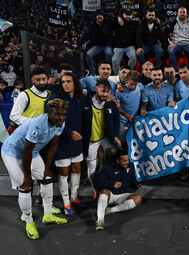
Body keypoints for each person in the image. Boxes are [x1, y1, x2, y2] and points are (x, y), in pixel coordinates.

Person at [1, 99, 68, 240]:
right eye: (57, 114)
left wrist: (47, 168)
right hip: (12, 152)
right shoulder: (38, 124)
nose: (61, 117)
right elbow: (26, 152)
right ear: (49, 112)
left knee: (47, 177)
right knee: (25, 186)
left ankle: (48, 215)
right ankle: (29, 222)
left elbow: (54, 145)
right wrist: (27, 176)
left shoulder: (60, 123)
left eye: (63, 114)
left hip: (33, 152)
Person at [46, 73, 83, 216]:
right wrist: (68, 133)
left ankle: (74, 198)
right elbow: (52, 121)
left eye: (68, 81)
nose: (65, 84)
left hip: (77, 141)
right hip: (61, 142)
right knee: (64, 172)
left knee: (77, 168)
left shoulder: (80, 98)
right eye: (62, 82)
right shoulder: (55, 100)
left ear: (75, 83)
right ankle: (66, 203)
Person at [82, 79, 121, 198]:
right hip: (90, 140)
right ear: (96, 88)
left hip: (105, 137)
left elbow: (116, 119)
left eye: (107, 92)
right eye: (103, 91)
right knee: (92, 168)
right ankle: (96, 191)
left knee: (116, 156)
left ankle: (112, 186)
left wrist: (114, 135)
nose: (105, 94)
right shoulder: (85, 100)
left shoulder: (110, 103)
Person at [93, 149, 142, 230]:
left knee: (138, 198)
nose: (127, 162)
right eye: (124, 161)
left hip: (122, 194)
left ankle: (110, 210)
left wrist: (136, 184)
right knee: (104, 190)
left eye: (128, 160)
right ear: (118, 161)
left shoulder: (130, 166)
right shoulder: (108, 168)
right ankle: (100, 220)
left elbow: (132, 177)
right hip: (110, 194)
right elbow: (97, 182)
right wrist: (112, 184)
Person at [74, 10, 119, 76]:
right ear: (96, 17)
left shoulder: (108, 22)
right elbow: (86, 36)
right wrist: (78, 44)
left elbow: (115, 18)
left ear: (103, 16)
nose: (100, 16)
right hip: (98, 46)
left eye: (101, 15)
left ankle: (108, 72)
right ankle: (93, 74)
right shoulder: (92, 26)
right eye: (98, 15)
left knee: (109, 53)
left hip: (107, 45)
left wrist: (120, 18)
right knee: (89, 55)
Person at [164, 7, 189, 76]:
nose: (182, 14)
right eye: (180, 12)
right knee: (171, 51)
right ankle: (175, 71)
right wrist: (168, 45)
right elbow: (164, 34)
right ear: (177, 14)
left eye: (184, 12)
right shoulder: (173, 23)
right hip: (176, 44)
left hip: (188, 43)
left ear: (186, 14)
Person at [115, 70, 144, 142]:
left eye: (135, 84)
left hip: (135, 121)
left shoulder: (140, 86)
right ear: (127, 80)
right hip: (122, 123)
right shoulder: (119, 91)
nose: (133, 86)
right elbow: (116, 107)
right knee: (120, 143)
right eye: (131, 84)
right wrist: (125, 115)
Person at [112, 9, 139, 75]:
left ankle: (128, 74)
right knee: (114, 61)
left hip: (130, 46)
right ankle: (118, 77)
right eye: (126, 14)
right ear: (123, 15)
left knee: (133, 57)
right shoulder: (117, 22)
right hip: (118, 46)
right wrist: (117, 18)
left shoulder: (134, 23)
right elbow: (109, 20)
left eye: (129, 15)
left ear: (131, 16)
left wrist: (155, 19)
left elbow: (145, 22)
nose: (127, 16)